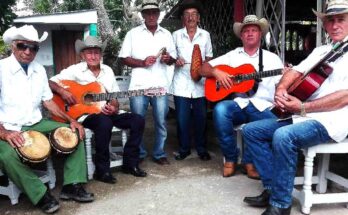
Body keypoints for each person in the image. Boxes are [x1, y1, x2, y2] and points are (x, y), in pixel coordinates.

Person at [242, 1, 348, 214]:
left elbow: (345, 96)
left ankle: (281, 206)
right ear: (325, 25)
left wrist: (304, 106)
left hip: (334, 120)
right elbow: (295, 72)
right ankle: (274, 190)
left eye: (341, 19)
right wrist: (281, 88)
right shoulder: (323, 50)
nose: (335, 25)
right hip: (305, 115)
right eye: (330, 20)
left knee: (284, 136)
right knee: (250, 131)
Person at [0, 25, 94, 214]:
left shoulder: (39, 70)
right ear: (13, 46)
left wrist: (71, 120)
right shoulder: (1, 69)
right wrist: (3, 132)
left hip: (36, 122)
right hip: (8, 125)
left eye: (33, 47)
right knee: (7, 156)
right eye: (22, 46)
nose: (28, 51)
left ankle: (72, 185)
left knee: (74, 132)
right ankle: (41, 195)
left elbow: (48, 102)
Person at [49, 36, 147, 184]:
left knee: (138, 120)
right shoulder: (74, 70)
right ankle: (102, 170)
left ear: (101, 55)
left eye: (96, 52)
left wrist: (114, 106)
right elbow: (50, 82)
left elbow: (114, 95)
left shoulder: (107, 71)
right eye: (89, 53)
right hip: (84, 114)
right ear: (82, 55)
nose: (93, 56)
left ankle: (130, 164)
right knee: (104, 123)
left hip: (106, 111)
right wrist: (63, 92)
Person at [199, 15, 284, 179]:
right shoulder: (233, 56)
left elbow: (282, 84)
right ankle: (230, 158)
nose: (250, 33)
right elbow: (203, 68)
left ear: (260, 34)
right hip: (238, 105)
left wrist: (287, 79)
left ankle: (249, 161)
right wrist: (216, 72)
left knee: (274, 125)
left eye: (254, 30)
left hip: (263, 106)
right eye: (246, 31)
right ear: (241, 35)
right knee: (220, 110)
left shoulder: (272, 59)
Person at [119, 0, 176, 165]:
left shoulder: (166, 34)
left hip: (160, 84)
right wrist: (142, 62)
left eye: (154, 12)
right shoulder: (132, 34)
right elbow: (123, 59)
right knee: (137, 121)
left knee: (161, 121)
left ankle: (159, 153)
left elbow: (172, 59)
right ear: (142, 15)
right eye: (147, 13)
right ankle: (140, 152)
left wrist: (167, 59)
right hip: (139, 85)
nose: (151, 16)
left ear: (158, 14)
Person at [170, 0, 213, 161]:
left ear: (198, 18)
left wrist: (203, 66)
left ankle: (202, 149)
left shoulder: (205, 35)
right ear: (183, 18)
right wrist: (176, 60)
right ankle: (184, 149)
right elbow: (171, 57)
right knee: (182, 119)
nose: (190, 17)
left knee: (201, 118)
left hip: (200, 84)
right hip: (181, 82)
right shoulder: (175, 35)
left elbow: (209, 56)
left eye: (194, 14)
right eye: (187, 15)